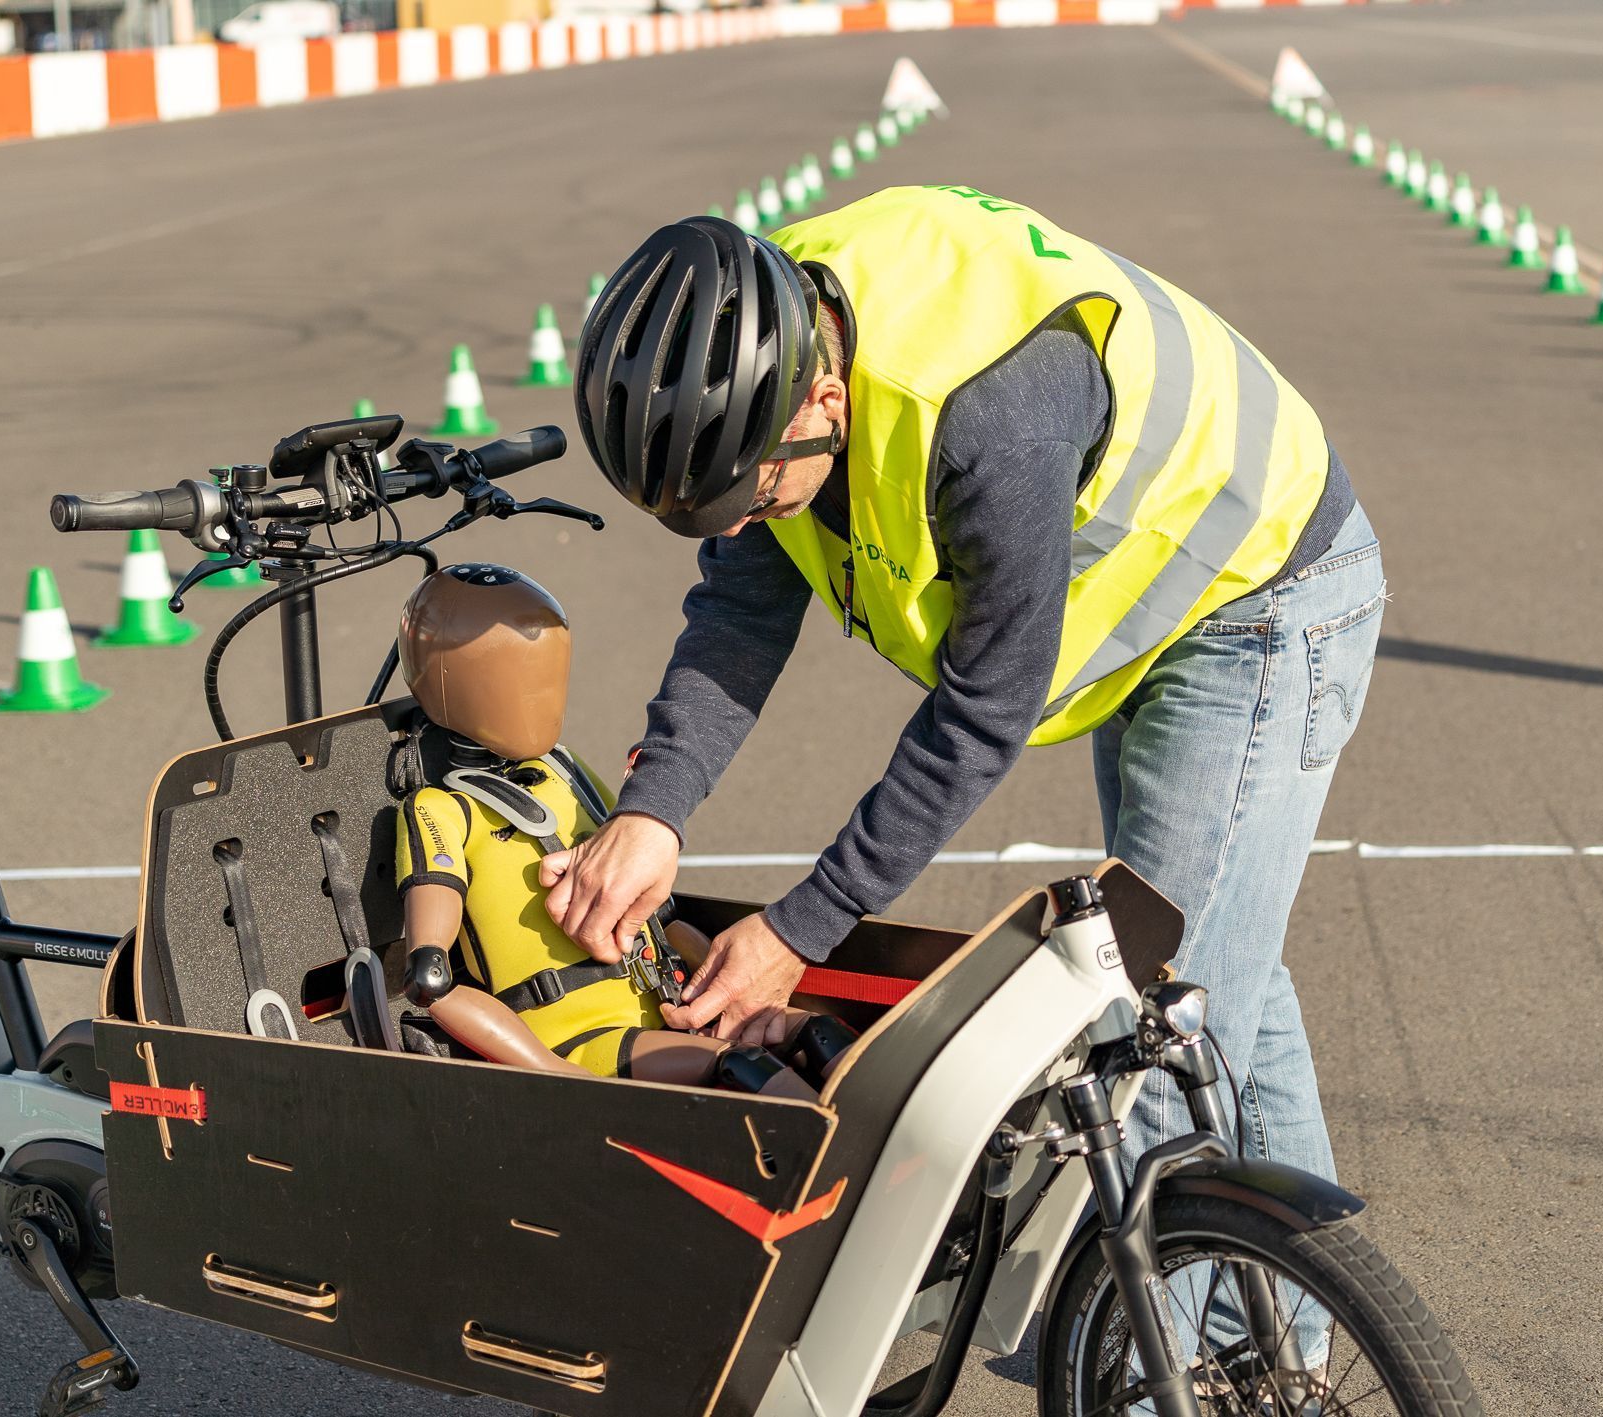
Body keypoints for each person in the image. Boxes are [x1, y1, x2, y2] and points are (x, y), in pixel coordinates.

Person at [550, 185, 1385, 1366]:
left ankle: (1157, 1383)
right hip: (1146, 592)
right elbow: (737, 611)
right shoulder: (759, 355)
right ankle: (1287, 1341)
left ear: (821, 396)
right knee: (1221, 976)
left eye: (752, 498)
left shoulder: (986, 408)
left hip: (1254, 587)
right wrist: (652, 812)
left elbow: (983, 708)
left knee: (1151, 1022)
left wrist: (799, 929)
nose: (741, 528)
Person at [385, 562, 855, 1100]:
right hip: (582, 1040)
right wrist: (553, 1073)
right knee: (740, 1066)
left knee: (812, 1032)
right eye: (519, 682)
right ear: (454, 685)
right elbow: (431, 979)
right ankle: (841, 1157)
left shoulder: (568, 772)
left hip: (666, 1000)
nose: (543, 700)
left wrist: (716, 987)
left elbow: (659, 913)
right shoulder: (441, 810)